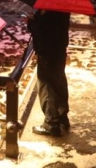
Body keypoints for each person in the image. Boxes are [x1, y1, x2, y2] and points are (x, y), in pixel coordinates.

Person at [26, 9, 71, 137]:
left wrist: (31, 23)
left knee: (47, 87)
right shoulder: (62, 8)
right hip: (59, 51)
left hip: (47, 53)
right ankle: (62, 117)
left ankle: (51, 124)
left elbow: (44, 31)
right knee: (59, 83)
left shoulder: (50, 11)